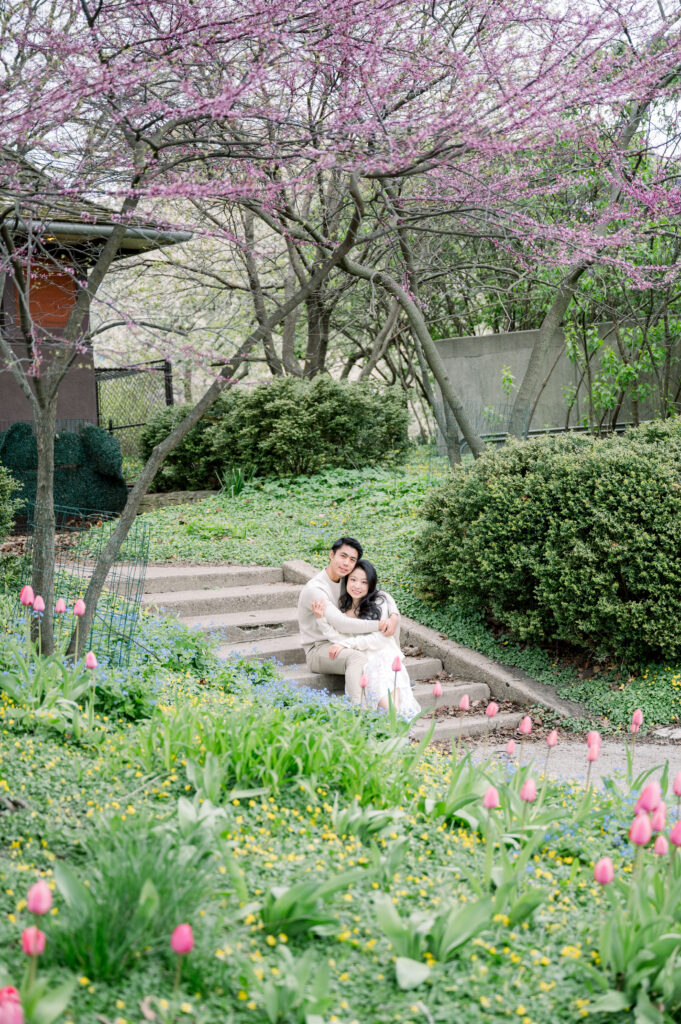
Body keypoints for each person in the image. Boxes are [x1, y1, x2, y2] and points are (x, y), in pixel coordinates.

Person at [311, 559, 421, 719]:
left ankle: (395, 719)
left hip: (384, 658)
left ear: (370, 584)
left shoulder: (379, 602)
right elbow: (339, 637)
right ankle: (394, 721)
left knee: (383, 674)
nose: (357, 586)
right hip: (364, 662)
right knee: (373, 677)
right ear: (346, 581)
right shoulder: (343, 609)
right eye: (353, 580)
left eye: (363, 582)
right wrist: (321, 619)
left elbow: (381, 639)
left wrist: (346, 643)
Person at [297, 537, 400, 703]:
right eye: (342, 556)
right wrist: (380, 624)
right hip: (319, 648)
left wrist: (394, 616)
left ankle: (395, 674)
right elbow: (341, 623)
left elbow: (378, 593)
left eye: (352, 559)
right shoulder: (315, 589)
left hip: (342, 639)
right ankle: (359, 710)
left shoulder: (345, 578)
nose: (346, 563)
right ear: (331, 555)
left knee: (387, 630)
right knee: (358, 657)